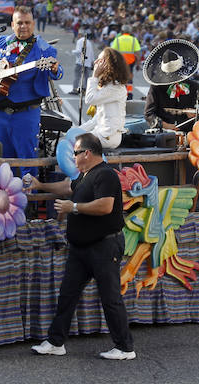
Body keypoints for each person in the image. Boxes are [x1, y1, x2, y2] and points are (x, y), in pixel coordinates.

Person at [29, 133, 135, 360]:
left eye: (75, 153)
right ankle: (56, 341)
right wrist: (40, 185)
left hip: (104, 246)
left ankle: (125, 347)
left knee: (110, 297)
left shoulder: (106, 174)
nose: (73, 157)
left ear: (87, 153)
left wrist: (73, 208)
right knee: (67, 294)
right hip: (81, 248)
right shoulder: (85, 175)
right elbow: (67, 187)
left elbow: (106, 206)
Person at [0, 6, 62, 179]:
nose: (23, 26)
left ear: (33, 25)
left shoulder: (44, 49)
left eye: (27, 23)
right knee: (0, 162)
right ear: (12, 24)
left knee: (27, 164)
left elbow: (58, 72)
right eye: (19, 23)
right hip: (1, 115)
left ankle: (27, 204)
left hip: (26, 116)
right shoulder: (0, 42)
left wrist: (55, 68)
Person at [144, 39, 199, 132]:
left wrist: (195, 114)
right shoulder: (156, 88)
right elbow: (148, 114)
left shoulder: (196, 88)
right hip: (163, 133)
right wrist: (164, 125)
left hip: (190, 133)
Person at [79, 48, 129, 149]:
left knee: (71, 144)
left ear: (109, 65)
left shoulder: (116, 88)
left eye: (100, 60)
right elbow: (96, 119)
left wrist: (95, 76)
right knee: (70, 137)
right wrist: (76, 130)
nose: (96, 63)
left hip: (108, 136)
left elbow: (90, 99)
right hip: (103, 133)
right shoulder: (109, 86)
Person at [71, 28, 97, 95]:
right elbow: (92, 53)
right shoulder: (89, 42)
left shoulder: (79, 41)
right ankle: (85, 90)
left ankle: (75, 89)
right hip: (87, 62)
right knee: (86, 77)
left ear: (80, 34)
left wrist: (72, 52)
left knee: (77, 76)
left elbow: (79, 51)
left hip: (80, 62)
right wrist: (92, 61)